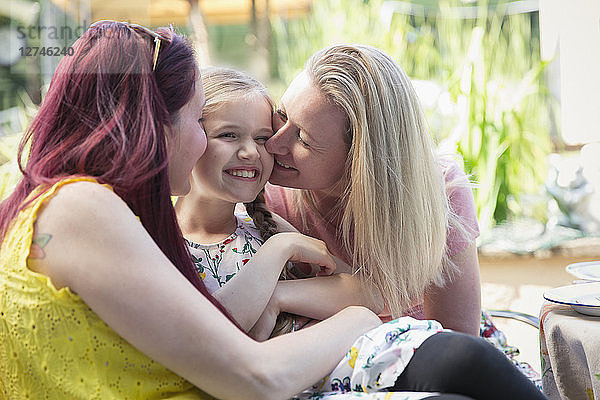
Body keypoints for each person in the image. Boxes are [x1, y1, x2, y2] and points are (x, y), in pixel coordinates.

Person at [0, 22, 545, 400]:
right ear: (147, 119)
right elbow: (250, 364)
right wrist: (356, 317)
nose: (264, 152)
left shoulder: (75, 209)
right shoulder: (82, 209)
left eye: (279, 133)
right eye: (202, 123)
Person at [265, 43, 481, 335]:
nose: (273, 144)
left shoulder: (441, 192)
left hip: (420, 367)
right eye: (281, 114)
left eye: (302, 138)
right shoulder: (264, 194)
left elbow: (458, 340)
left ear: (359, 161)